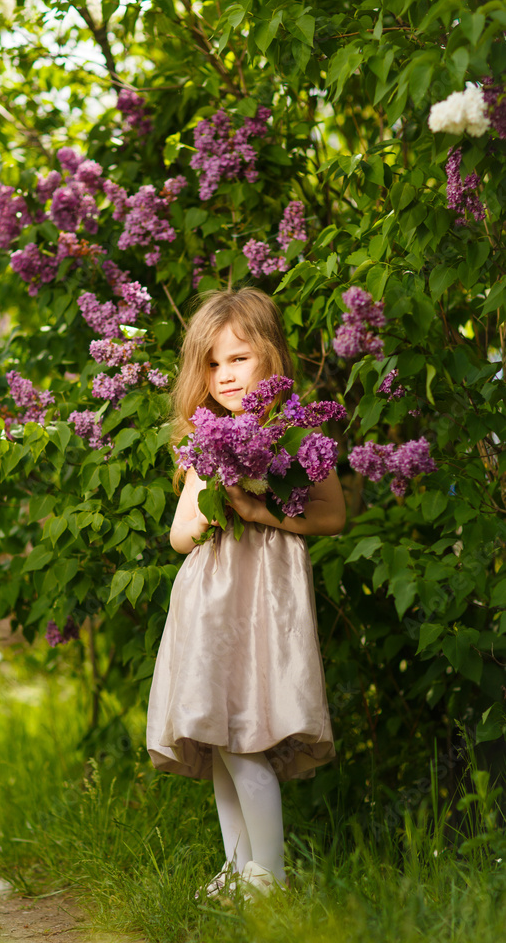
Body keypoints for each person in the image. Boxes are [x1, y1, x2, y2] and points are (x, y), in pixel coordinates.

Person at [145, 286, 346, 901]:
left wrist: (260, 511)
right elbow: (179, 535)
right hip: (210, 604)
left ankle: (271, 877)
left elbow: (332, 516)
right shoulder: (206, 439)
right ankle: (239, 870)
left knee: (246, 734)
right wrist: (208, 514)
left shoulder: (296, 432)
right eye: (212, 364)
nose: (226, 375)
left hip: (264, 599)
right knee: (220, 740)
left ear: (271, 357)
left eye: (239, 358)